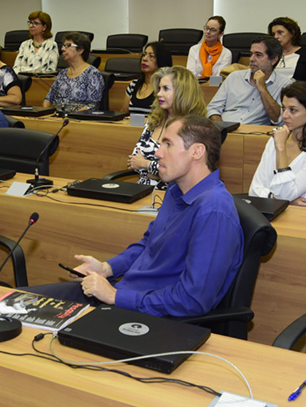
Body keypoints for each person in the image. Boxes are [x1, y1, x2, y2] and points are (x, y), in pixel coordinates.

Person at [31, 116, 243, 318]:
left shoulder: (213, 211)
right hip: (125, 297)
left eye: (168, 144)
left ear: (197, 151)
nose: (158, 153)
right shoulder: (175, 190)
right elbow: (148, 245)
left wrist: (116, 297)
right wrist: (108, 268)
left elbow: (193, 300)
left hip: (149, 316)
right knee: (18, 303)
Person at [249, 81, 306, 208]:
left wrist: (280, 149)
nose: (284, 115)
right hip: (269, 213)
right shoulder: (275, 141)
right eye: (284, 108)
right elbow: (254, 190)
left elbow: (284, 195)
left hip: (304, 220)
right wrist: (283, 201)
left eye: (293, 110)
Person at [127, 66, 206, 189]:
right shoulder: (153, 121)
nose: (159, 94)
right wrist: (155, 170)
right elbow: (134, 160)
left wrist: (145, 164)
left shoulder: (194, 127)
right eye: (159, 89)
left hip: (173, 195)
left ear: (182, 92)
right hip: (141, 190)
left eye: (165, 89)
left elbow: (181, 172)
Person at [206, 35, 286, 125]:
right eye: (251, 54)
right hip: (225, 128)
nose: (251, 59)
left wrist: (262, 88)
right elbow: (213, 108)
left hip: (254, 134)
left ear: (273, 60)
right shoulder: (234, 77)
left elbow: (277, 119)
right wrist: (222, 127)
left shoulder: (283, 83)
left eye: (258, 55)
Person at [44, 33, 105, 113]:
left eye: (68, 45)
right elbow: (48, 99)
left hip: (79, 120)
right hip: (57, 118)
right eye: (63, 46)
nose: (62, 49)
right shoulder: (62, 73)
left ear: (80, 50)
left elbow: (93, 105)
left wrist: (71, 115)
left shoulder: (92, 74)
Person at [123, 42, 173, 114]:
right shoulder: (133, 85)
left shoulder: (166, 88)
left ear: (161, 60)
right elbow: (123, 115)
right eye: (144, 55)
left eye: (151, 56)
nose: (144, 59)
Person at [268, 16, 306, 82]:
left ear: (292, 33)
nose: (276, 37)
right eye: (273, 34)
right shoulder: (271, 53)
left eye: (280, 32)